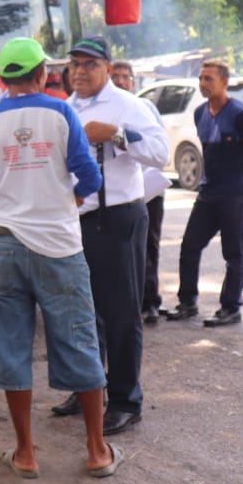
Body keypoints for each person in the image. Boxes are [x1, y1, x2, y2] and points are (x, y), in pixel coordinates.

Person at [0, 37, 120, 479]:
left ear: (4, 78)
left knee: (11, 347)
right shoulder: (60, 111)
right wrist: (66, 202)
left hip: (6, 246)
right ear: (43, 72)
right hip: (59, 246)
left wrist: (3, 211)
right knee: (79, 341)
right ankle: (97, 450)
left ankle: (26, 453)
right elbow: (88, 174)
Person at [52, 38, 167, 436]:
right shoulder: (67, 106)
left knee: (120, 314)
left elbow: (160, 153)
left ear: (106, 67)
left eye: (88, 64)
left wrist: (117, 134)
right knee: (83, 313)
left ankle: (124, 400)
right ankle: (87, 387)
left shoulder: (128, 105)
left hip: (117, 218)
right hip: (77, 220)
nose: (80, 71)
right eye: (74, 64)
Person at [163, 59, 243, 327]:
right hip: (208, 194)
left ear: (224, 82)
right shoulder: (200, 113)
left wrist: (239, 180)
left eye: (209, 79)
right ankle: (187, 302)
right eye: (201, 78)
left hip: (234, 195)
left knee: (234, 253)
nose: (203, 83)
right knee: (190, 246)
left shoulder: (242, 114)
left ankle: (230, 307)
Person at [111, 60, 169, 324]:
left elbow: (160, 150)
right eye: (117, 76)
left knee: (149, 246)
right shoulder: (103, 109)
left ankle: (150, 301)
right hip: (116, 196)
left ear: (134, 83)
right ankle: (124, 303)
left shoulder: (145, 108)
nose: (121, 81)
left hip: (149, 188)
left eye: (126, 77)